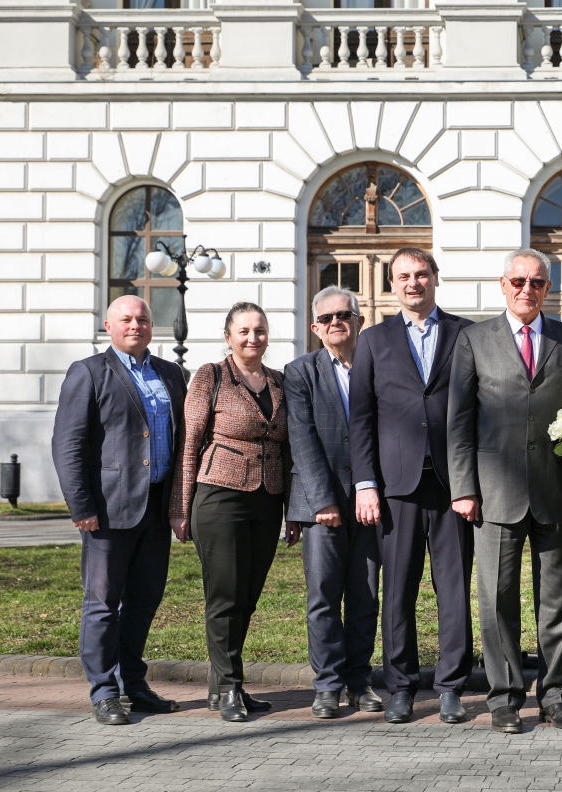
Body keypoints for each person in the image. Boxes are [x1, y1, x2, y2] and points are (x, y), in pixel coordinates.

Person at [447, 247, 562, 734]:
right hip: (493, 493)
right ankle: (505, 697)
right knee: (497, 600)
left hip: (556, 491)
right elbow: (459, 422)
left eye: (536, 282)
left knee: (558, 602)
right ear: (503, 284)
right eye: (518, 281)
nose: (526, 289)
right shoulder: (473, 340)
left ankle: (556, 697)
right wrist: (463, 487)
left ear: (547, 288)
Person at [350, 248, 475, 725]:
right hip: (395, 486)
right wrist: (365, 484)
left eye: (421, 275)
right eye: (403, 276)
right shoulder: (374, 340)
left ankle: (450, 687)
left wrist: (474, 483)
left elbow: (479, 410)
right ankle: (400, 686)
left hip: (454, 485)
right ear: (391, 284)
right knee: (398, 589)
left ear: (436, 279)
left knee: (454, 589)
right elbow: (360, 417)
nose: (413, 283)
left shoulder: (467, 333)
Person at [52, 296, 187, 725]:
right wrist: (81, 506)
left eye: (143, 319)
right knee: (103, 603)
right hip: (108, 511)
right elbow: (68, 445)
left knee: (144, 601)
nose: (136, 325)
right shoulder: (89, 372)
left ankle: (134, 682)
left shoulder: (170, 373)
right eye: (126, 319)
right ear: (108, 326)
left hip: (157, 506)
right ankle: (104, 691)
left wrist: (180, 505)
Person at [169, 302, 301, 723]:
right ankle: (229, 688)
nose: (252, 338)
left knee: (246, 598)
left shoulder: (280, 382)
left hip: (267, 499)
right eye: (243, 331)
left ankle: (223, 685)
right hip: (219, 497)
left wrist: (292, 509)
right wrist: (180, 506)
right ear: (229, 336)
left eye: (259, 330)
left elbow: (289, 451)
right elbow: (190, 442)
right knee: (224, 595)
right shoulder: (211, 375)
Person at [285, 286, 383, 720]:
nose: (336, 322)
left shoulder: (379, 366)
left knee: (364, 594)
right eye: (326, 318)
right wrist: (324, 500)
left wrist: (376, 487)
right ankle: (327, 685)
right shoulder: (300, 371)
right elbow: (301, 439)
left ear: (360, 320)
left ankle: (359, 681)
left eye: (344, 315)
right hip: (319, 503)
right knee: (323, 596)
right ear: (315, 328)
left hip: (371, 501)